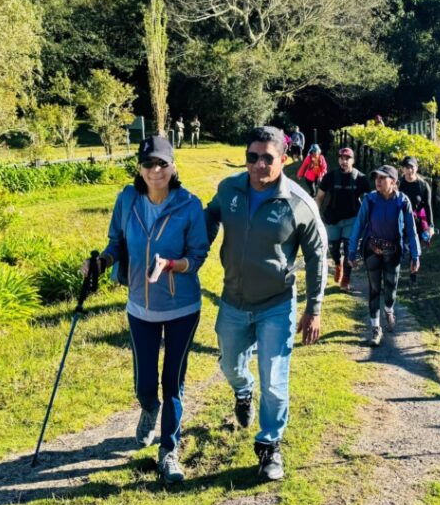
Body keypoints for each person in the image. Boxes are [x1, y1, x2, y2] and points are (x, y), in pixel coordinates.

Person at [205, 125, 326, 482]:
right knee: (230, 365)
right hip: (233, 300)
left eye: (267, 158)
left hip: (276, 304)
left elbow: (318, 255)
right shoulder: (229, 190)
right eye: (252, 157)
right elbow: (209, 219)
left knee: (274, 380)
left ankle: (269, 446)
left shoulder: (298, 204)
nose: (259, 165)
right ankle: (243, 393)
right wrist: (191, 253)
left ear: (284, 160)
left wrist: (314, 307)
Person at [85, 135, 209, 483]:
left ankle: (168, 451)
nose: (155, 170)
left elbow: (198, 256)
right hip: (140, 307)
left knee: (173, 382)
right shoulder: (128, 199)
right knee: (144, 382)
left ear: (173, 167)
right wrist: (101, 262)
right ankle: (148, 407)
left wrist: (172, 264)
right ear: (139, 168)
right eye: (148, 164)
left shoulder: (189, 204)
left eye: (162, 164)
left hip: (183, 307)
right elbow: (116, 243)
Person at [347, 165, 420, 346]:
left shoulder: (403, 201)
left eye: (382, 178)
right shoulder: (370, 200)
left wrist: (415, 255)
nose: (378, 182)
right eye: (376, 178)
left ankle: (389, 308)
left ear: (393, 182)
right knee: (374, 289)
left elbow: (411, 230)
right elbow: (359, 224)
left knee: (390, 287)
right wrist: (351, 250)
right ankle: (375, 329)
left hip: (393, 251)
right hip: (372, 249)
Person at [315, 147, 369, 291]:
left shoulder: (361, 178)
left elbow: (371, 198)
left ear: (353, 160)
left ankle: (346, 279)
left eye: (347, 158)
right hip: (333, 219)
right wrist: (314, 215)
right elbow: (319, 197)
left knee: (349, 249)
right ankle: (338, 264)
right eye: (341, 158)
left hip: (352, 219)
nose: (344, 161)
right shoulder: (330, 177)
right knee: (333, 249)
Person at [398, 157, 435, 283]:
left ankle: (413, 273)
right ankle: (394, 273)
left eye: (412, 167)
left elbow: (428, 207)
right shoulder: (398, 184)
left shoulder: (423, 185)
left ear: (416, 168)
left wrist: (431, 226)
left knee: (415, 247)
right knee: (398, 246)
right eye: (407, 168)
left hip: (417, 221)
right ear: (403, 169)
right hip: (400, 220)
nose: (409, 170)